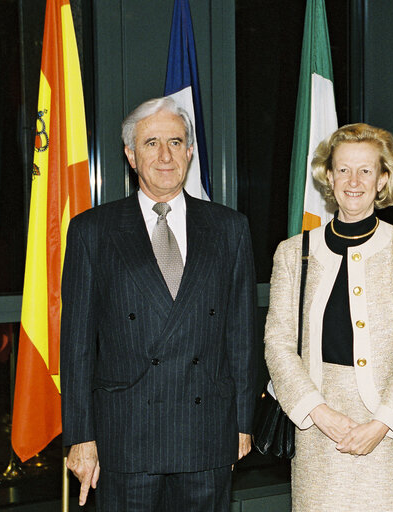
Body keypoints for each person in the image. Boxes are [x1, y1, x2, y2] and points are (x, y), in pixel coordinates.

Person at [60, 96, 257, 511]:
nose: (165, 155)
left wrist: (242, 423)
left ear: (190, 151)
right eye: (151, 143)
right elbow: (76, 345)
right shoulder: (92, 231)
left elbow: (241, 334)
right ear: (131, 155)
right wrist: (80, 435)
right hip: (126, 436)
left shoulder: (229, 228)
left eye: (175, 142)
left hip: (205, 432)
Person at [264, 123, 393, 511]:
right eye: (343, 169)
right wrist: (318, 413)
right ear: (328, 176)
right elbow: (277, 345)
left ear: (383, 179)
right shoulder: (293, 253)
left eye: (366, 170)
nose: (354, 181)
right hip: (318, 433)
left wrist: (380, 424)